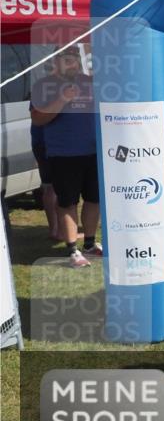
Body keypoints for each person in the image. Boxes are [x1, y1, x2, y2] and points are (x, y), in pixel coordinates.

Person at [29, 50, 102, 268]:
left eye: (76, 61)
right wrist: (62, 99)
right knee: (68, 202)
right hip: (63, 154)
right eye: (68, 61)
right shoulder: (44, 86)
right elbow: (38, 119)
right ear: (56, 63)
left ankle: (89, 243)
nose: (73, 65)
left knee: (94, 199)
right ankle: (72, 249)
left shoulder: (90, 83)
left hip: (93, 151)